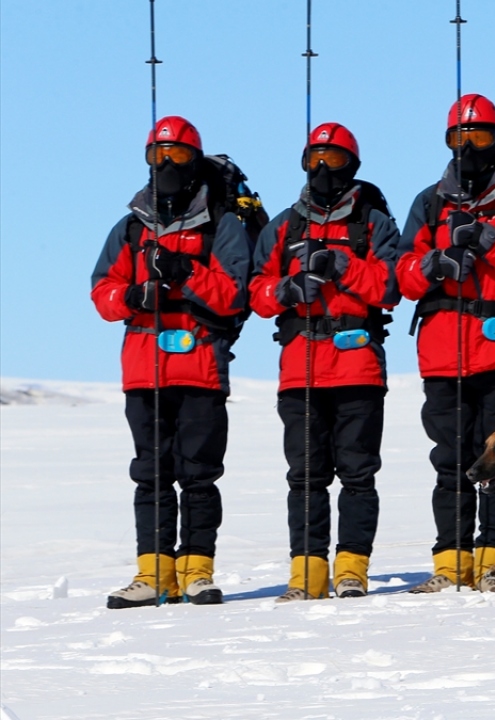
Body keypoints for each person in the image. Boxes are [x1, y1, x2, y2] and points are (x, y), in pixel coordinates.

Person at [91, 116, 251, 608]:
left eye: (177, 155)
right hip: (144, 372)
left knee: (199, 475)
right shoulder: (130, 227)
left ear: (195, 161)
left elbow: (234, 294)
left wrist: (187, 272)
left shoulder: (222, 225)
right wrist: (134, 295)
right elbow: (102, 293)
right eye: (157, 155)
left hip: (201, 368)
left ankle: (197, 571)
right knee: (151, 474)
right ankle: (153, 574)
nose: (166, 164)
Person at [396, 94, 495, 592]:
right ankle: (451, 560)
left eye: (480, 137)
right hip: (443, 356)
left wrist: (489, 241)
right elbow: (403, 276)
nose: (470, 147)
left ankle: (494, 560)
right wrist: (435, 263)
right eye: (460, 138)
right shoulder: (429, 202)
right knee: (450, 461)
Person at [249, 123, 401, 601]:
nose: (322, 169)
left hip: (358, 369)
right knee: (305, 478)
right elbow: (255, 292)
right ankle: (307, 575)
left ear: (351, 166)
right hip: (300, 371)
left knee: (358, 475)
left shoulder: (374, 223)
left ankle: (352, 570)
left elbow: (391, 287)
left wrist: (342, 265)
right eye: (314, 159)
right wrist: (287, 289)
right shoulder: (283, 226)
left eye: (332, 160)